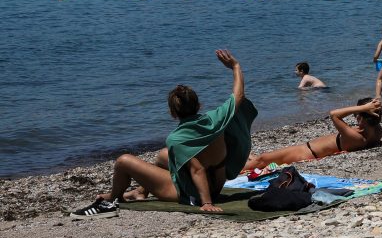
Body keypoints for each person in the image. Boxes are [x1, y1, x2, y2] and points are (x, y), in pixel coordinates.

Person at [70, 50, 255, 218]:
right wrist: (235, 66)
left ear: (172, 113)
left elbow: (197, 169)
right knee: (162, 156)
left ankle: (113, 198)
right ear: (199, 106)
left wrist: (206, 203)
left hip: (194, 194)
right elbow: (238, 95)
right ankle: (140, 192)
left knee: (123, 161)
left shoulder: (177, 138)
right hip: (216, 183)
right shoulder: (216, 118)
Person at [246, 98, 382, 168]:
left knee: (262, 160)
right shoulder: (377, 132)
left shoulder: (357, 138)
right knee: (262, 159)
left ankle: (233, 169)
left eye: (356, 115)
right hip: (306, 149)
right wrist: (370, 107)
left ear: (361, 117)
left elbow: (334, 114)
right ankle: (249, 158)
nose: (355, 117)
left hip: (306, 152)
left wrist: (362, 107)